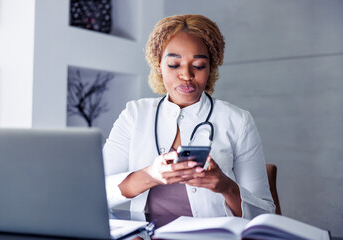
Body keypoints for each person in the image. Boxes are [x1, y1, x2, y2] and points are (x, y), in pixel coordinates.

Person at [103, 14, 275, 220]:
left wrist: (225, 186)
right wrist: (150, 176)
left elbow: (265, 214)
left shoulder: (238, 121)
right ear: (159, 65)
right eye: (174, 64)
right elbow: (95, 192)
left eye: (199, 65)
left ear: (211, 68)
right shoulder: (134, 115)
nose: (186, 74)